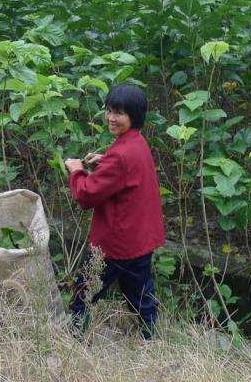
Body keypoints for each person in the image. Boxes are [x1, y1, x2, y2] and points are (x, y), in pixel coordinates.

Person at [64, 83, 165, 339]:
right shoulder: (137, 143)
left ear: (134, 115)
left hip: (116, 243)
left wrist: (77, 170)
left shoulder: (120, 155)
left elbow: (87, 194)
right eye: (109, 110)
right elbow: (127, 174)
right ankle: (150, 337)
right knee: (141, 295)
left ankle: (74, 337)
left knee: (85, 291)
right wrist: (104, 161)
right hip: (140, 239)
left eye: (119, 113)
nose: (111, 118)